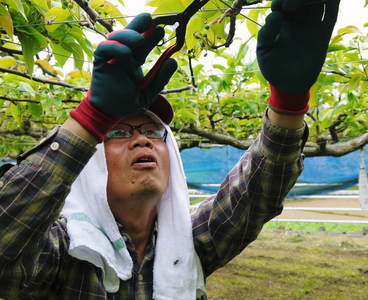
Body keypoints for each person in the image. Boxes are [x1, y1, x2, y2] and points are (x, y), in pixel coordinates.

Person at [0, 0, 340, 299]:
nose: (143, 139)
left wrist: (288, 102)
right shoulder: (66, 248)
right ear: (91, 164)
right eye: (119, 131)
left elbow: (256, 195)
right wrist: (92, 117)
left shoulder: (187, 241)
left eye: (154, 131)